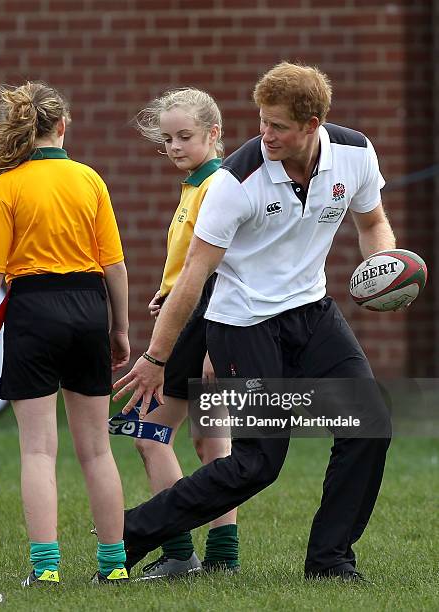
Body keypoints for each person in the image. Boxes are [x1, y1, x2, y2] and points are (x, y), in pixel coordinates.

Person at [113, 62, 394, 581]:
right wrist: (156, 357)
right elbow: (194, 276)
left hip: (311, 311)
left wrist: (382, 267)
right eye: (261, 121)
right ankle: (131, 535)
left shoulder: (355, 153)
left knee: (370, 422)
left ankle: (330, 560)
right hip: (242, 322)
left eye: (278, 126)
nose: (264, 135)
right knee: (259, 463)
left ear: (313, 124)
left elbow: (373, 222)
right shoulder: (234, 181)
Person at [0, 82, 130, 586]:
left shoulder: (6, 186)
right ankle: (114, 566)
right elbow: (113, 264)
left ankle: (46, 570)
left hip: (33, 310)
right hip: (90, 306)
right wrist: (120, 328)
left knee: (38, 450)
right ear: (63, 126)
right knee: (96, 448)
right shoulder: (90, 180)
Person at [130, 88, 239, 579]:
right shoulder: (197, 186)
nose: (174, 146)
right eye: (167, 138)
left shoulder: (218, 186)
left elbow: (225, 269)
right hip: (200, 318)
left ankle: (178, 554)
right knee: (211, 442)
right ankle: (223, 556)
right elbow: (191, 266)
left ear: (214, 134)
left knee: (150, 435)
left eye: (185, 136)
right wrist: (166, 292)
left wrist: (214, 342)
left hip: (206, 325)